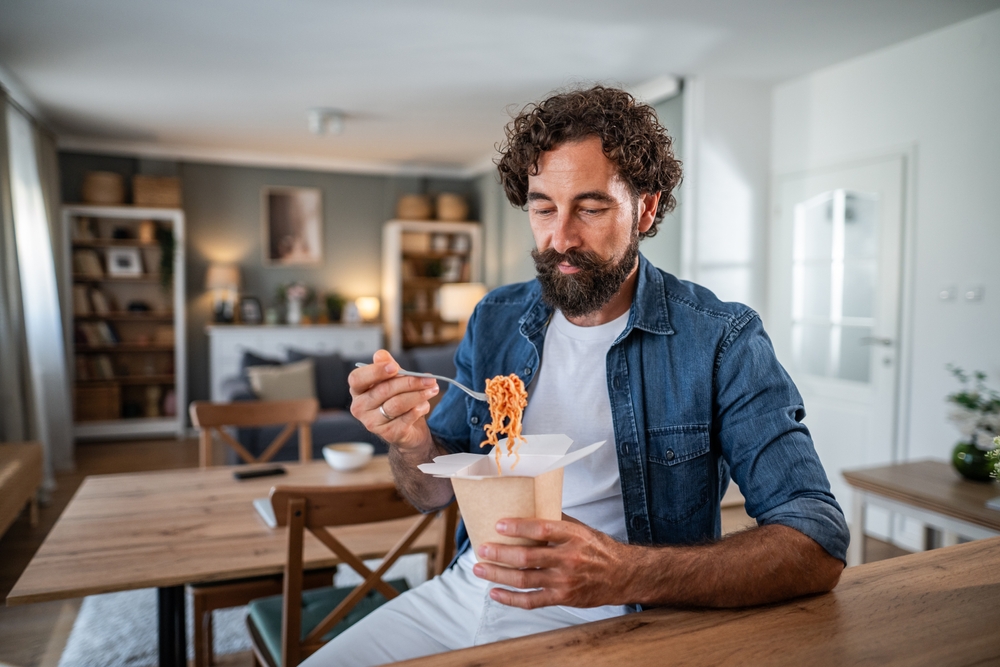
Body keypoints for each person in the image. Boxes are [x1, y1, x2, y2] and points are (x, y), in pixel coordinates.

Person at [305, 86, 849, 666]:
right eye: (543, 207)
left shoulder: (721, 339)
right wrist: (410, 440)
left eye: (589, 208)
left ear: (644, 208)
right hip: (469, 590)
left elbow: (816, 540)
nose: (560, 236)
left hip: (618, 615)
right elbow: (433, 490)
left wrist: (622, 572)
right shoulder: (496, 318)